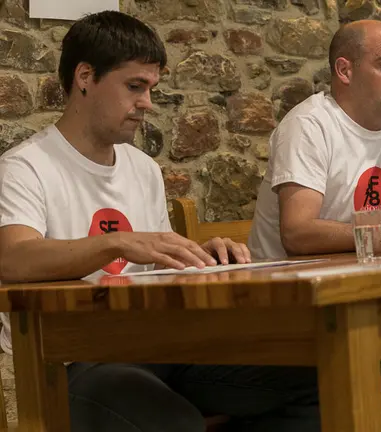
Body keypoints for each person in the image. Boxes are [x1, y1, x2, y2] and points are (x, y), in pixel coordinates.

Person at [0, 11, 318, 431]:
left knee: (312, 375)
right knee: (172, 420)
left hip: (157, 343)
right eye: (134, 87)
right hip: (69, 359)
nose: (147, 103)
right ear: (84, 77)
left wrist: (195, 255)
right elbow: (14, 259)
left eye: (151, 88)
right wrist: (117, 243)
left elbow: (153, 265)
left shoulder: (142, 167)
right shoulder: (26, 166)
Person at [248, 19, 381, 259]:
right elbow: (297, 234)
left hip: (367, 275)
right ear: (345, 71)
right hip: (287, 287)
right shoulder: (308, 124)